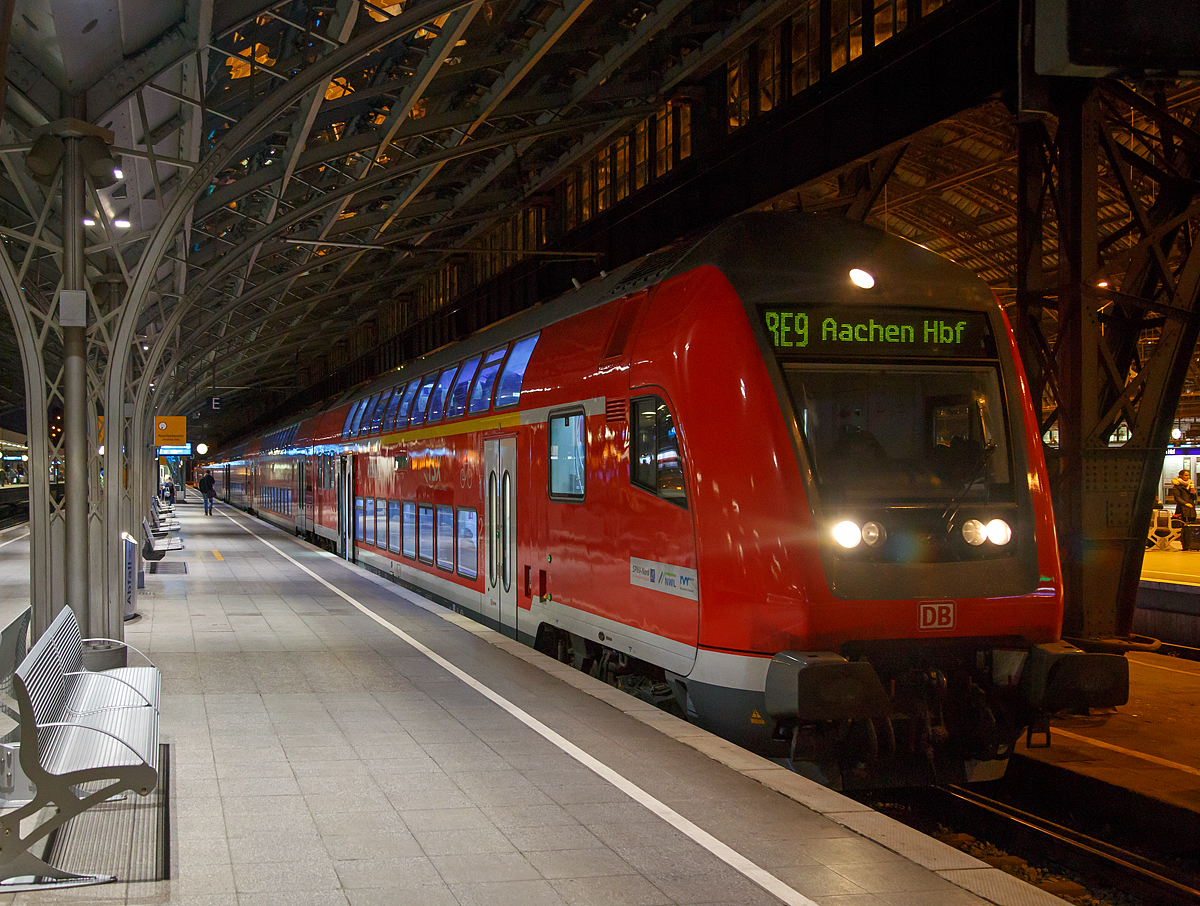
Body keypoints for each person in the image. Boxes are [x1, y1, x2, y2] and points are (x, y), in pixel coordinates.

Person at [1172, 469, 1197, 550]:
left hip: (1191, 509)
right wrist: (1185, 503)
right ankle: (1185, 544)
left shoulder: (1190, 485)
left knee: (1192, 526)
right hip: (1182, 509)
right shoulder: (1177, 486)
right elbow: (1177, 498)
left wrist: (1193, 493)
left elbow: (1194, 498)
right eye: (1185, 475)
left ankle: (1192, 544)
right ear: (1181, 476)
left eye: (1188, 475)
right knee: (1184, 528)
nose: (1187, 477)